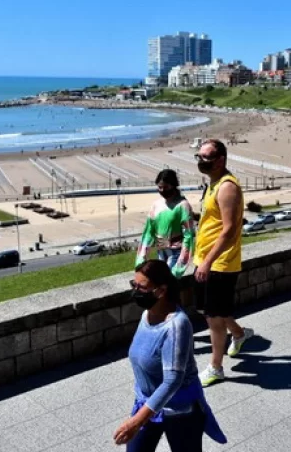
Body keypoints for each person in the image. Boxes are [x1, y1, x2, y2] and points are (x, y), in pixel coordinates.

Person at [113, 260, 227, 451]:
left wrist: (137, 422)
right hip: (148, 402)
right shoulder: (147, 314)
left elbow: (173, 380)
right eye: (134, 285)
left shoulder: (176, 326)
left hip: (180, 410)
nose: (136, 291)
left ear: (160, 291)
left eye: (142, 287)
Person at [193, 139, 253, 387]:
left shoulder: (227, 187)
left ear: (220, 160)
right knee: (206, 308)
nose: (200, 161)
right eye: (198, 156)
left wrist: (207, 262)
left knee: (214, 318)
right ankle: (239, 334)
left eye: (205, 157)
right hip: (204, 257)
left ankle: (216, 367)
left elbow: (229, 230)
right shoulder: (212, 184)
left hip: (219, 263)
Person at [136, 170, 195, 279]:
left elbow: (188, 235)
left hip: (175, 252)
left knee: (167, 283)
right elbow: (148, 232)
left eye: (166, 187)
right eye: (160, 187)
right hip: (161, 251)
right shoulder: (156, 205)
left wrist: (181, 263)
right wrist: (141, 258)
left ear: (173, 185)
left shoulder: (183, 205)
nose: (162, 190)